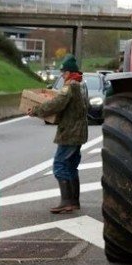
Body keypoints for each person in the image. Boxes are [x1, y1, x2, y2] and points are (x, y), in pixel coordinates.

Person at [27, 55, 88, 214]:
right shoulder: (81, 85)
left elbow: (57, 103)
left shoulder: (70, 86)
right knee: (71, 166)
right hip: (78, 132)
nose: (62, 75)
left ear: (69, 73)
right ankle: (73, 201)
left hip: (70, 132)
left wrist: (36, 111)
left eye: (63, 72)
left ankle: (67, 202)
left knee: (60, 165)